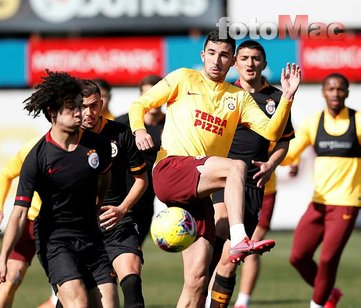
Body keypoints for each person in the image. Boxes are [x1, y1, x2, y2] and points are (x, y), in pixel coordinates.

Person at [128, 29, 301, 307]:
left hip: (199, 191)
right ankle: (240, 237)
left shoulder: (239, 98)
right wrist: (138, 129)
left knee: (197, 280)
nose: (216, 60)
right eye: (211, 53)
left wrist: (287, 97)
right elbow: (140, 104)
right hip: (171, 168)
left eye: (223, 55)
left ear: (231, 61)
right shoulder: (184, 77)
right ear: (202, 55)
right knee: (235, 167)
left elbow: (271, 132)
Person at [0, 70, 118, 307]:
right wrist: (3, 258)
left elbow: (105, 175)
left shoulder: (97, 145)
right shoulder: (37, 157)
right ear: (52, 112)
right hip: (55, 240)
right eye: (73, 108)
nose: (80, 113)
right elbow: (19, 214)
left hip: (90, 236)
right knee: (79, 303)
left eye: (81, 106)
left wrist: (97, 205)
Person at [206, 40, 295, 308]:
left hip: (253, 184)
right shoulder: (224, 93)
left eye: (256, 58)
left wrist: (271, 165)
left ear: (264, 64)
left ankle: (213, 302)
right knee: (221, 233)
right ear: (235, 63)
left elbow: (284, 140)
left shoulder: (277, 98)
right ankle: (199, 294)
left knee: (231, 258)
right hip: (221, 178)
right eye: (244, 58)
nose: (250, 63)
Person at [282, 73, 360, 308]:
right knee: (298, 257)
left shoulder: (357, 122)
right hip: (319, 202)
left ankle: (319, 303)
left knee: (327, 259)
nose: (335, 93)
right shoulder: (314, 123)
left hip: (347, 202)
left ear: (347, 93)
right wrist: (276, 161)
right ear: (323, 92)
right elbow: (290, 153)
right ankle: (329, 293)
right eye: (331, 89)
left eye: (340, 89)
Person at [80, 79, 148, 307]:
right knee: (81, 298)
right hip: (80, 226)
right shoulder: (68, 138)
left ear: (101, 104)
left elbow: (141, 179)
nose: (88, 112)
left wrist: (122, 209)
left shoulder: (120, 132)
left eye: (93, 105)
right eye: (82, 106)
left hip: (117, 220)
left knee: (131, 282)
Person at [0, 137, 57, 308]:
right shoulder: (33, 148)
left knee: (65, 294)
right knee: (9, 279)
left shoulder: (82, 148)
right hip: (28, 223)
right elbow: (6, 173)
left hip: (60, 227)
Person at [116, 74, 165, 244]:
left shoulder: (172, 124)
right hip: (122, 195)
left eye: (158, 95)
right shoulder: (123, 124)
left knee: (137, 248)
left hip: (148, 197)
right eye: (148, 95)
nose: (154, 101)